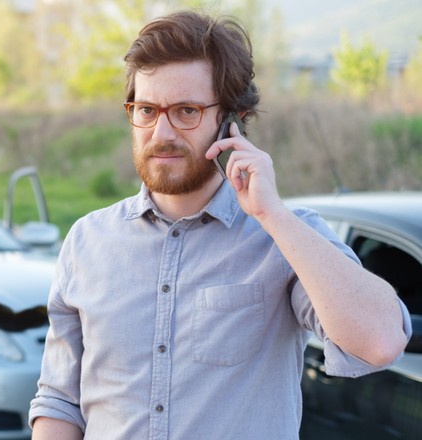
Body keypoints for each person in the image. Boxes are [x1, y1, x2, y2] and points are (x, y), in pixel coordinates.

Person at [29, 10, 411, 440]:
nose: (161, 133)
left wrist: (273, 215)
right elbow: (60, 400)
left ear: (232, 120)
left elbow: (382, 342)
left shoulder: (283, 238)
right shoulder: (87, 241)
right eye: (147, 110)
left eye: (186, 111)